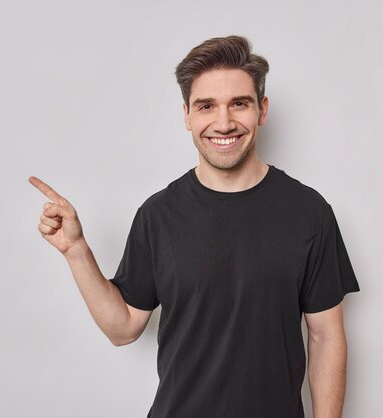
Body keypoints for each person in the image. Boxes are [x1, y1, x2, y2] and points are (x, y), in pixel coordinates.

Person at [29, 35, 360, 418]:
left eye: (239, 103)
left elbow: (326, 336)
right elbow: (123, 329)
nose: (224, 122)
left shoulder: (309, 212)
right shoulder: (158, 215)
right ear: (186, 115)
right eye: (206, 106)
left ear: (262, 109)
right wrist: (76, 252)